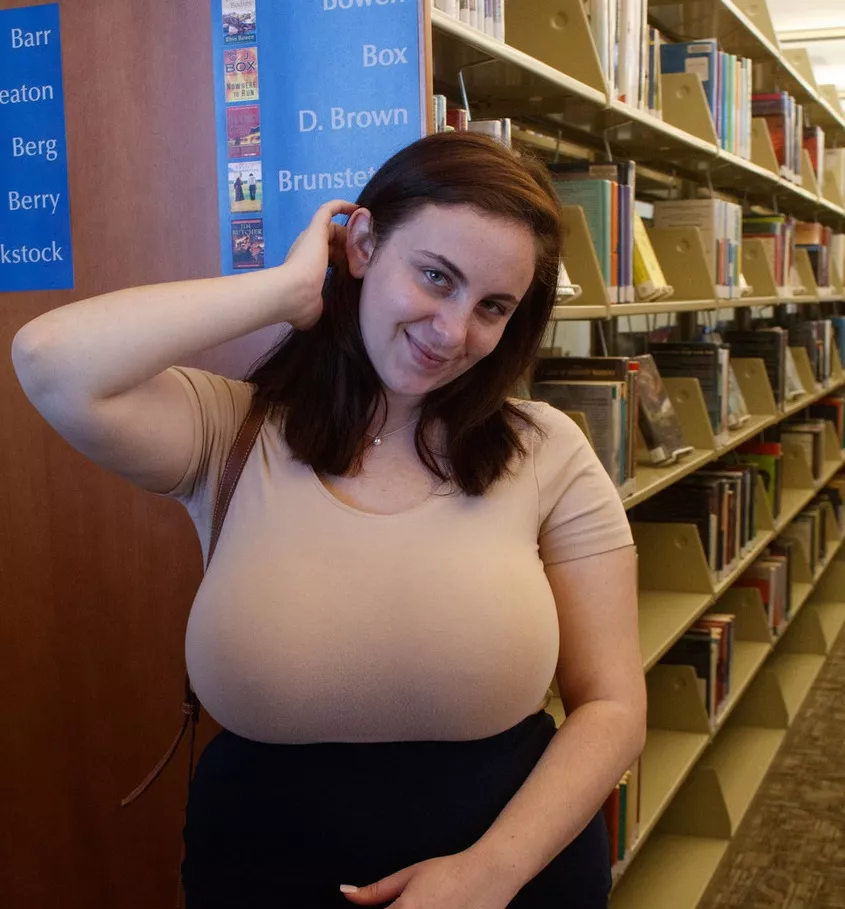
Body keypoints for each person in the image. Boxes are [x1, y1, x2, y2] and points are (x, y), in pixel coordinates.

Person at [12, 131, 645, 909]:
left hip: (506, 874)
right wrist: (284, 290)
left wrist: (487, 874)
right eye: (435, 276)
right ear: (364, 244)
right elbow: (49, 359)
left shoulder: (546, 448)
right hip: (261, 869)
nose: (453, 332)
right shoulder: (227, 430)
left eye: (492, 307)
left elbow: (611, 706)